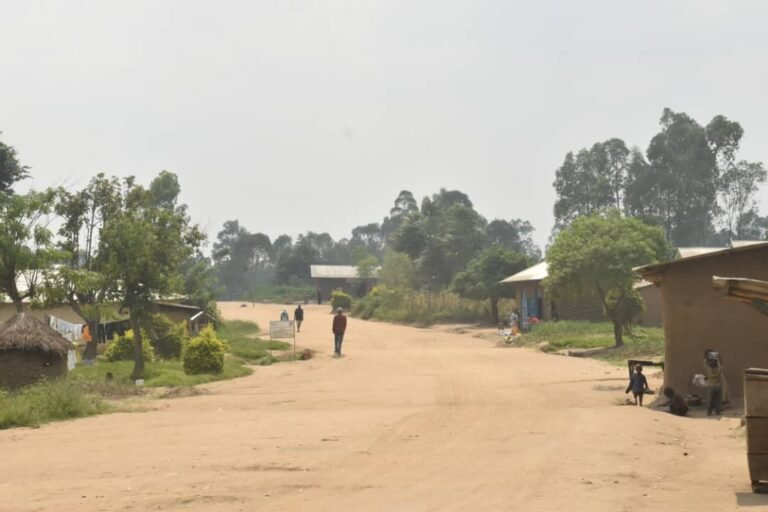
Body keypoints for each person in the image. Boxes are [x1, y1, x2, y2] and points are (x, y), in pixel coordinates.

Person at [704, 351, 724, 416]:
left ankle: (717, 411)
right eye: (712, 360)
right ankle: (709, 412)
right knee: (710, 401)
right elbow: (714, 375)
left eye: (714, 360)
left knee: (717, 401)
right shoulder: (710, 368)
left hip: (716, 386)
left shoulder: (714, 367)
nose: (713, 362)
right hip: (713, 386)